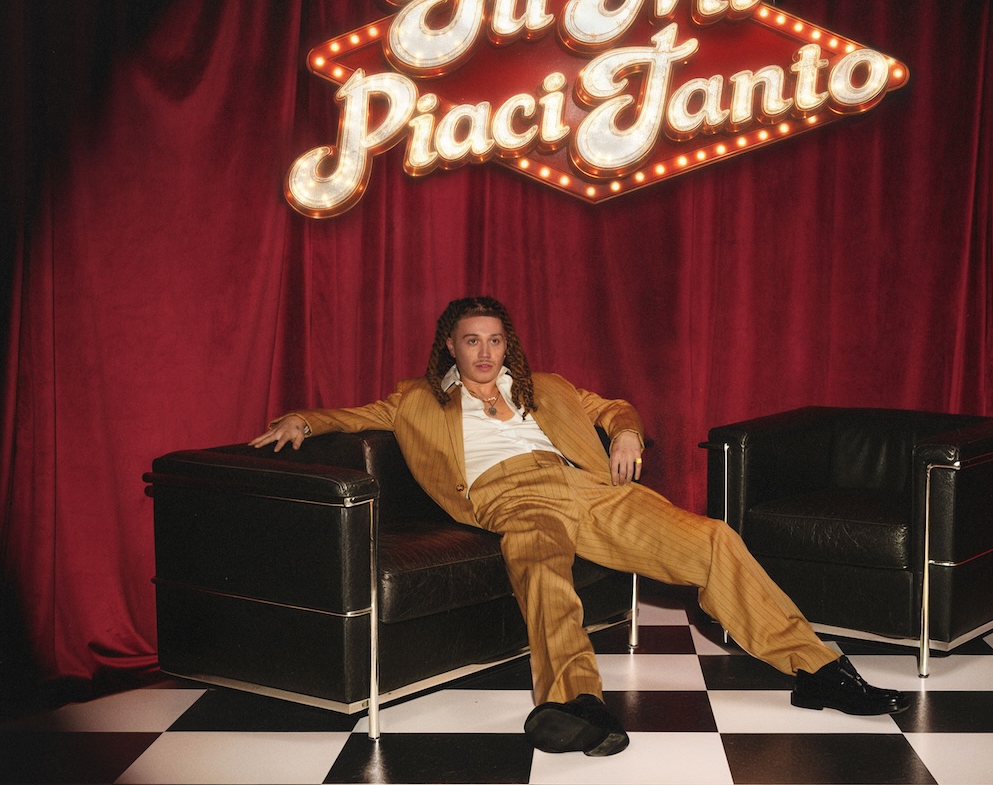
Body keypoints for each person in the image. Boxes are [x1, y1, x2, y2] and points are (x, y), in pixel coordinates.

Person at [251, 296, 908, 756]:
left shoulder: (550, 387)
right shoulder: (416, 399)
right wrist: (303, 420)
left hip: (592, 490)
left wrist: (626, 434)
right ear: (450, 345)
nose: (484, 352)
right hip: (513, 500)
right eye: (472, 340)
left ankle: (819, 670)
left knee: (714, 538)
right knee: (543, 572)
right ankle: (576, 705)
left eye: (495, 340)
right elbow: (348, 416)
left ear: (507, 344)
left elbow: (614, 406)